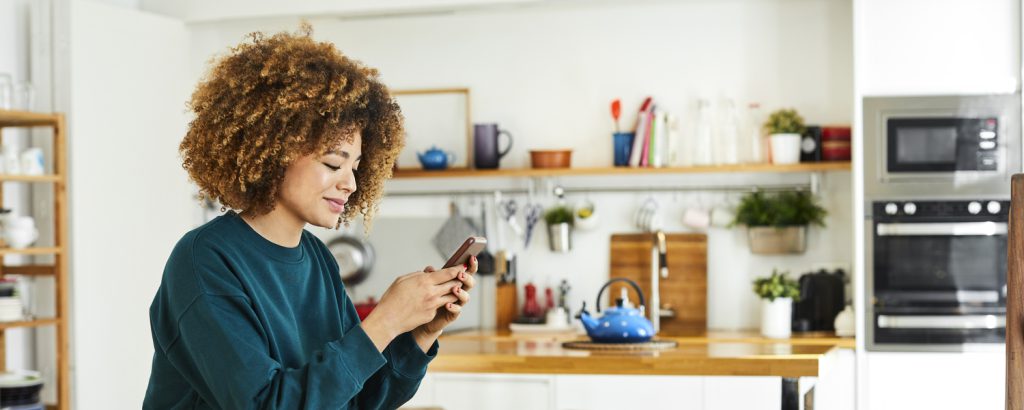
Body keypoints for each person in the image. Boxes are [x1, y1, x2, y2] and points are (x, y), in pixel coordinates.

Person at [143, 25, 476, 409]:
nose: (350, 183)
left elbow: (357, 399)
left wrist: (419, 332)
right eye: (333, 163)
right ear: (273, 149)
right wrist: (383, 321)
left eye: (356, 167)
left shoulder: (318, 259)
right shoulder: (204, 260)